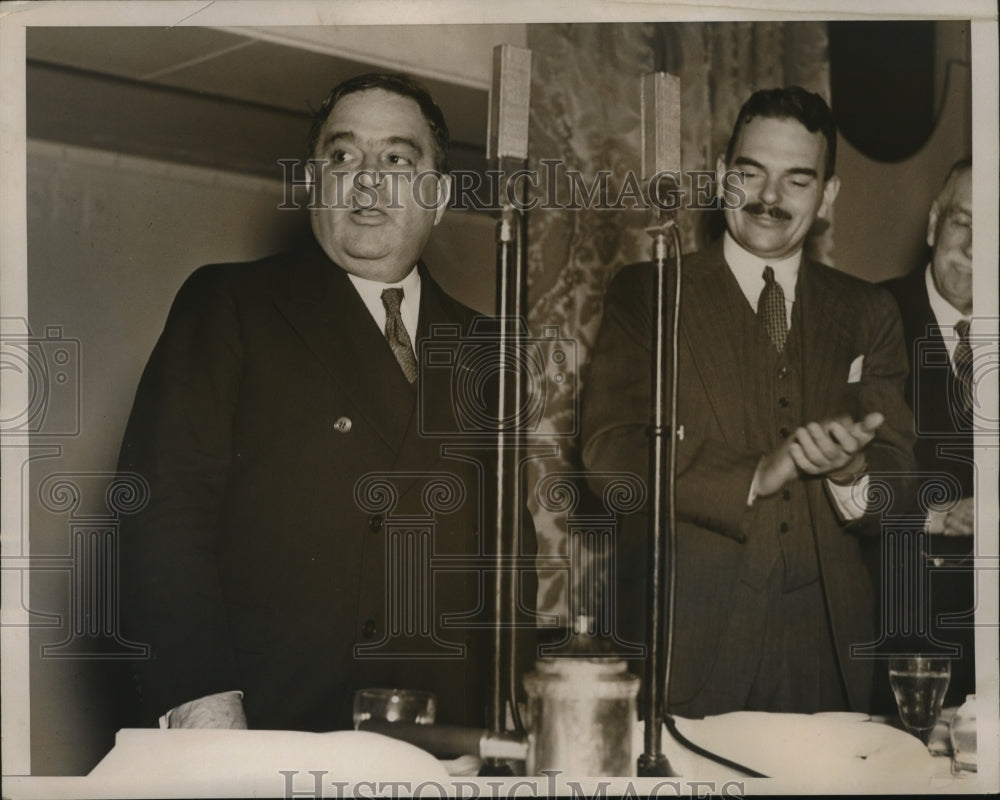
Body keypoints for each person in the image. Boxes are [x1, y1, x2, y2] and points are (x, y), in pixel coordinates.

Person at [118, 73, 529, 731]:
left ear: (439, 196)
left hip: (449, 733)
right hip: (272, 726)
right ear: (314, 183)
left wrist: (518, 713)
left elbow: (511, 557)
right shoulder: (233, 304)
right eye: (342, 156)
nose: (366, 180)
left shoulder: (486, 346)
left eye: (397, 159)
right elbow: (162, 512)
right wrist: (200, 699)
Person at [580, 87, 916, 716]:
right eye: (751, 172)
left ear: (827, 196)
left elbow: (898, 474)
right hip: (684, 649)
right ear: (720, 178)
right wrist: (753, 475)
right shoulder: (650, 292)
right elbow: (609, 454)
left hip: (827, 659)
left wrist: (852, 474)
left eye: (797, 180)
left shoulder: (869, 311)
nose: (769, 197)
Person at [881, 159, 975, 706]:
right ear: (935, 222)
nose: (975, 247)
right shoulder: (868, 315)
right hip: (902, 640)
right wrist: (934, 514)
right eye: (964, 222)